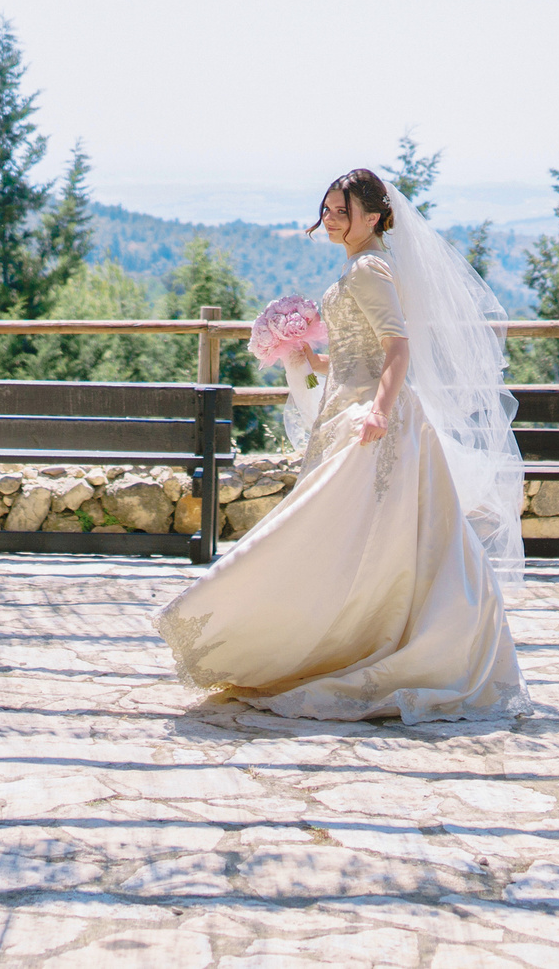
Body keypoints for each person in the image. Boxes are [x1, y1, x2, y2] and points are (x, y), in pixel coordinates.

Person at [155, 167, 527, 722]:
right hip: (357, 405)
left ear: (373, 217)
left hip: (376, 422)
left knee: (319, 530)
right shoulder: (365, 266)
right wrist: (307, 357)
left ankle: (280, 631)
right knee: (366, 543)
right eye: (326, 208)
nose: (329, 218)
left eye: (341, 210)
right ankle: (339, 638)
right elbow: (363, 357)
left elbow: (396, 349)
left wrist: (378, 412)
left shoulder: (369, 269)